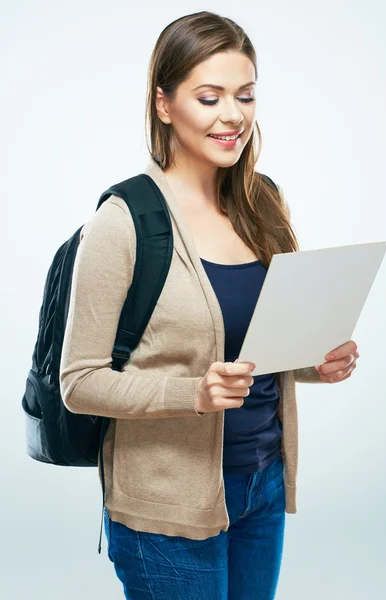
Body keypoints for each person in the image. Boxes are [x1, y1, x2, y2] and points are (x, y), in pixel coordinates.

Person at [59, 10, 359, 600]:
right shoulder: (123, 222)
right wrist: (190, 393)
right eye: (209, 96)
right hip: (167, 507)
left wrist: (313, 362)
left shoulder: (262, 201)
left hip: (261, 484)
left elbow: (252, 344)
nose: (233, 115)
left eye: (245, 95)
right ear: (164, 103)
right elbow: (80, 381)